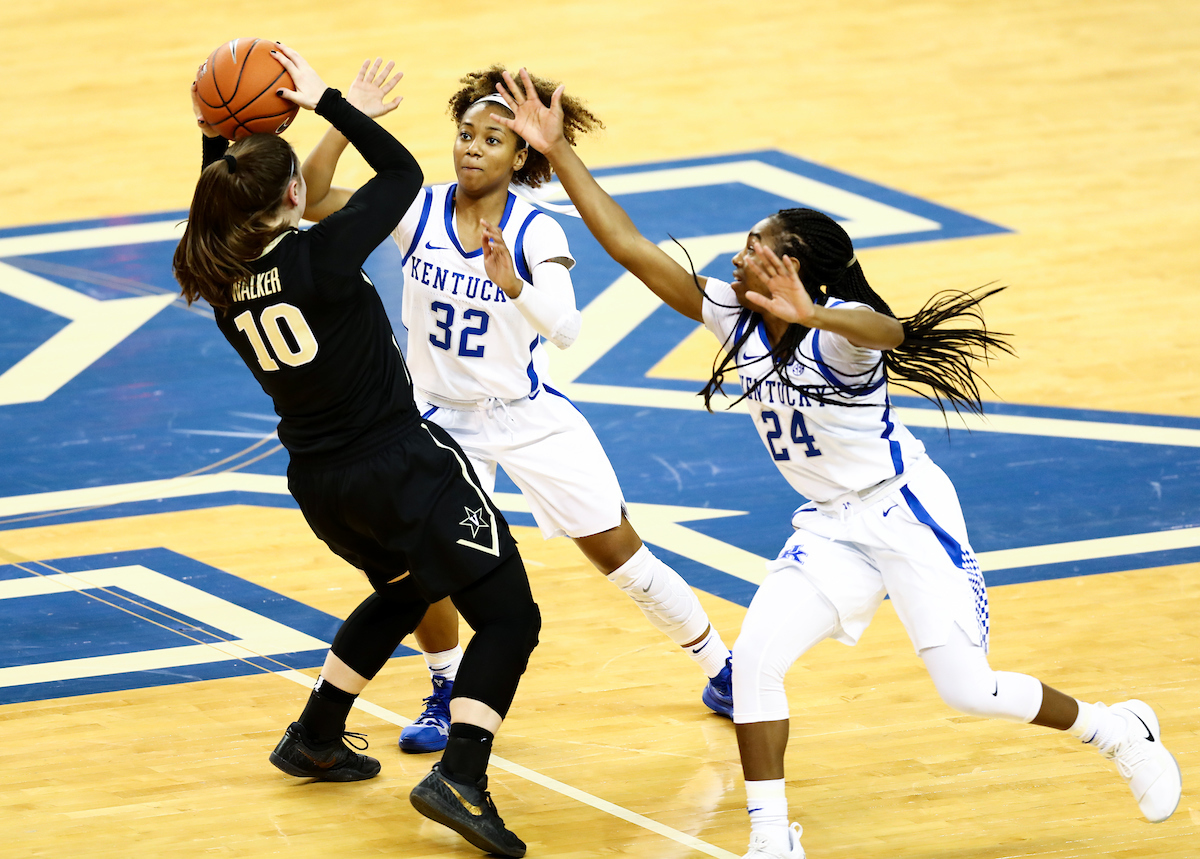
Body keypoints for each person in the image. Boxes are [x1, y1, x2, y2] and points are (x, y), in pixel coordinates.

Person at [490, 68, 1183, 859]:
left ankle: (1115, 727)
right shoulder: (735, 318)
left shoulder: (839, 337)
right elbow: (629, 246)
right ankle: (770, 839)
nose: (740, 253)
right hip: (831, 528)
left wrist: (813, 311)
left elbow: (888, 328)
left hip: (905, 513)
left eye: (757, 246)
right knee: (753, 660)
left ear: (796, 271)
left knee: (968, 688)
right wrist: (559, 150)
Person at [300, 64, 735, 754]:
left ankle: (721, 669)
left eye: (492, 139)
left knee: (620, 553)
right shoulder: (417, 207)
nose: (472, 147)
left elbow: (564, 328)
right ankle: (445, 689)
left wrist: (513, 287)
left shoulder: (536, 229)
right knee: (425, 571)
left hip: (527, 415)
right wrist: (344, 116)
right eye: (465, 134)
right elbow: (310, 197)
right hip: (439, 420)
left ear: (520, 155)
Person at [173, 48, 538, 858]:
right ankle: (463, 778)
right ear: (296, 197)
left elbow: (217, 199)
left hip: (321, 485)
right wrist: (330, 103)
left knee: (408, 593)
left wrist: (218, 131)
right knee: (511, 616)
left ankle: (316, 734)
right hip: (402, 468)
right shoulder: (322, 254)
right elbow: (404, 173)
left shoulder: (216, 269)